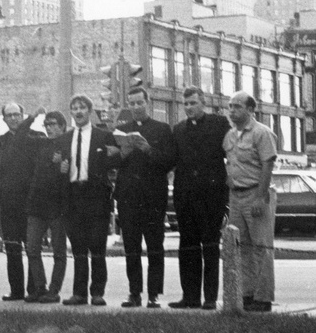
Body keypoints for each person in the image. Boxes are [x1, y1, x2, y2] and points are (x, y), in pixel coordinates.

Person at [114, 86, 176, 308]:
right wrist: (124, 152)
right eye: (132, 103)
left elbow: (169, 161)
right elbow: (113, 164)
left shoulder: (162, 129)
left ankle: (153, 294)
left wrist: (147, 148)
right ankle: (134, 293)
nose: (136, 107)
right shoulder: (122, 129)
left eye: (140, 102)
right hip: (128, 197)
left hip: (152, 198)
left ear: (147, 103)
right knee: (131, 247)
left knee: (154, 246)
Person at [170, 86, 230, 310]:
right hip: (185, 197)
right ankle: (190, 296)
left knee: (211, 246)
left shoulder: (219, 124)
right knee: (187, 247)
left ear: (203, 102)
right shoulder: (178, 129)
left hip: (211, 197)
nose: (189, 108)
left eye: (193, 103)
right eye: (185, 104)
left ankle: (210, 298)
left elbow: (229, 154)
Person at [60, 94, 120, 306]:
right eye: (74, 108)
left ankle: (97, 293)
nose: (78, 111)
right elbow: (57, 166)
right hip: (73, 196)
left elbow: (115, 162)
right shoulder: (65, 138)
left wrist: (114, 155)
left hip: (96, 196)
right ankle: (79, 293)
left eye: (82, 107)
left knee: (97, 246)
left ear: (90, 111)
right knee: (78, 248)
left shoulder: (104, 136)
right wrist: (61, 169)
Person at [224, 91, 278, 312]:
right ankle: (246, 293)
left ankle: (263, 298)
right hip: (236, 195)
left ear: (250, 109)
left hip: (256, 193)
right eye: (230, 106)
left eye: (237, 106)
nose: (232, 110)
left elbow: (267, 165)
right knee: (242, 246)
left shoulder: (262, 133)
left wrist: (260, 197)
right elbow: (229, 161)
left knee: (261, 247)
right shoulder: (229, 135)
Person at [0, 102, 43, 301]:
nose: (14, 118)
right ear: (4, 119)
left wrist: (32, 119)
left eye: (17, 114)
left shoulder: (36, 138)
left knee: (32, 248)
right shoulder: (0, 142)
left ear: (23, 116)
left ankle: (34, 289)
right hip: (8, 204)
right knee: (12, 249)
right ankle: (16, 290)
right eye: (10, 115)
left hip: (31, 202)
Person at [24, 110, 69, 303]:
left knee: (59, 251)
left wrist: (63, 170)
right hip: (37, 205)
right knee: (32, 247)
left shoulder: (68, 144)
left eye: (53, 124)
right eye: (47, 124)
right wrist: (32, 117)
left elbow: (71, 174)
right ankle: (40, 287)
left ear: (62, 126)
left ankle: (54, 289)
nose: (49, 128)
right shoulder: (40, 143)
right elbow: (20, 135)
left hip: (58, 206)